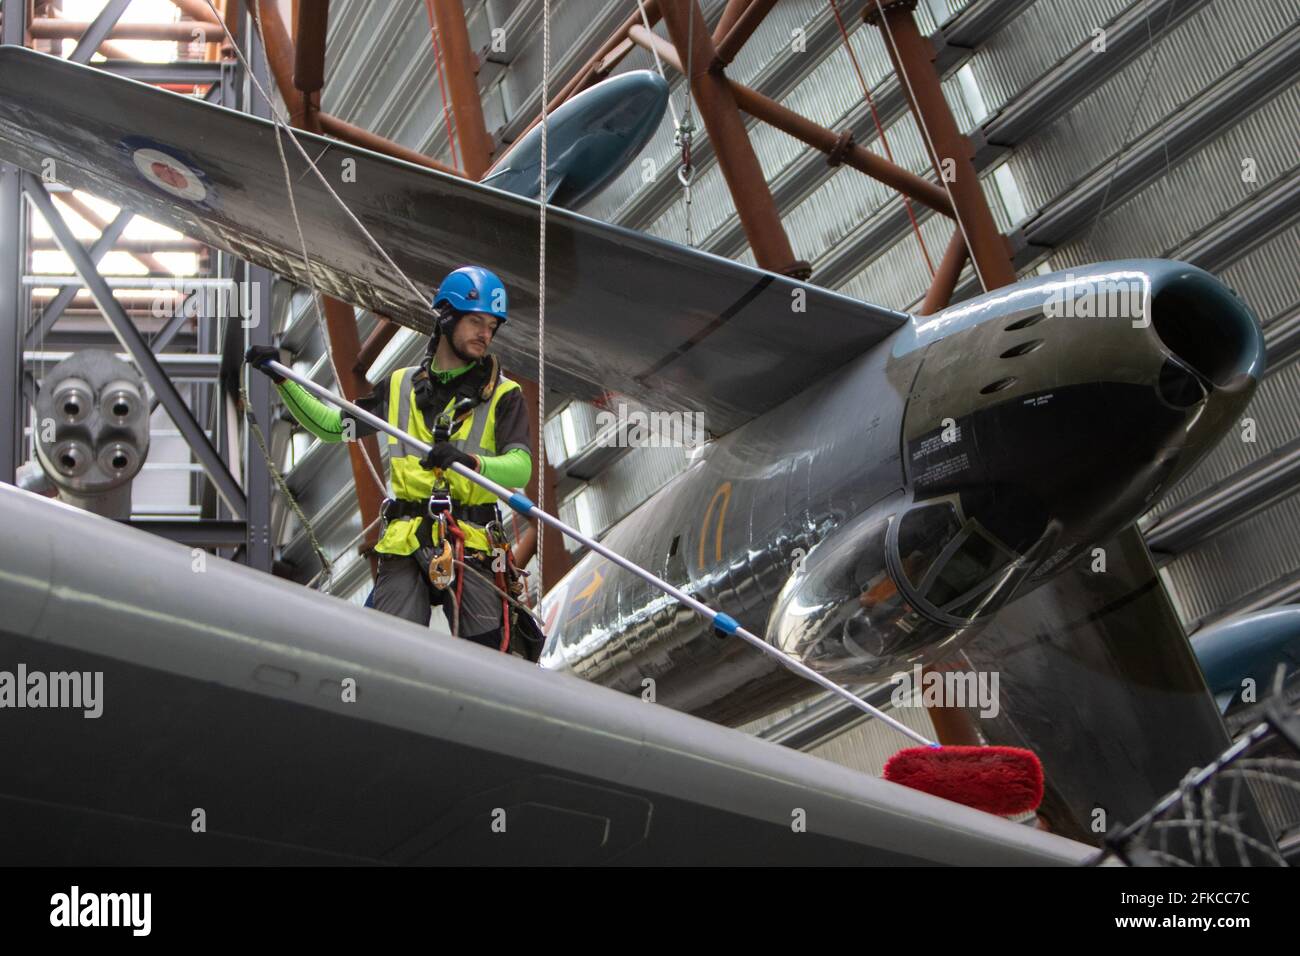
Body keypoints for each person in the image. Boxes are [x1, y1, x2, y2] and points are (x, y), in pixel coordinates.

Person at [247, 265, 539, 655]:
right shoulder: (399, 386)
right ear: (447, 318)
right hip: (405, 539)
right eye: (475, 321)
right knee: (391, 651)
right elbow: (334, 427)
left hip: (472, 541)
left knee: (490, 655)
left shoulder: (504, 395)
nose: (485, 333)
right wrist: (283, 380)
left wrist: (470, 463)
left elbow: (521, 466)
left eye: (491, 325)